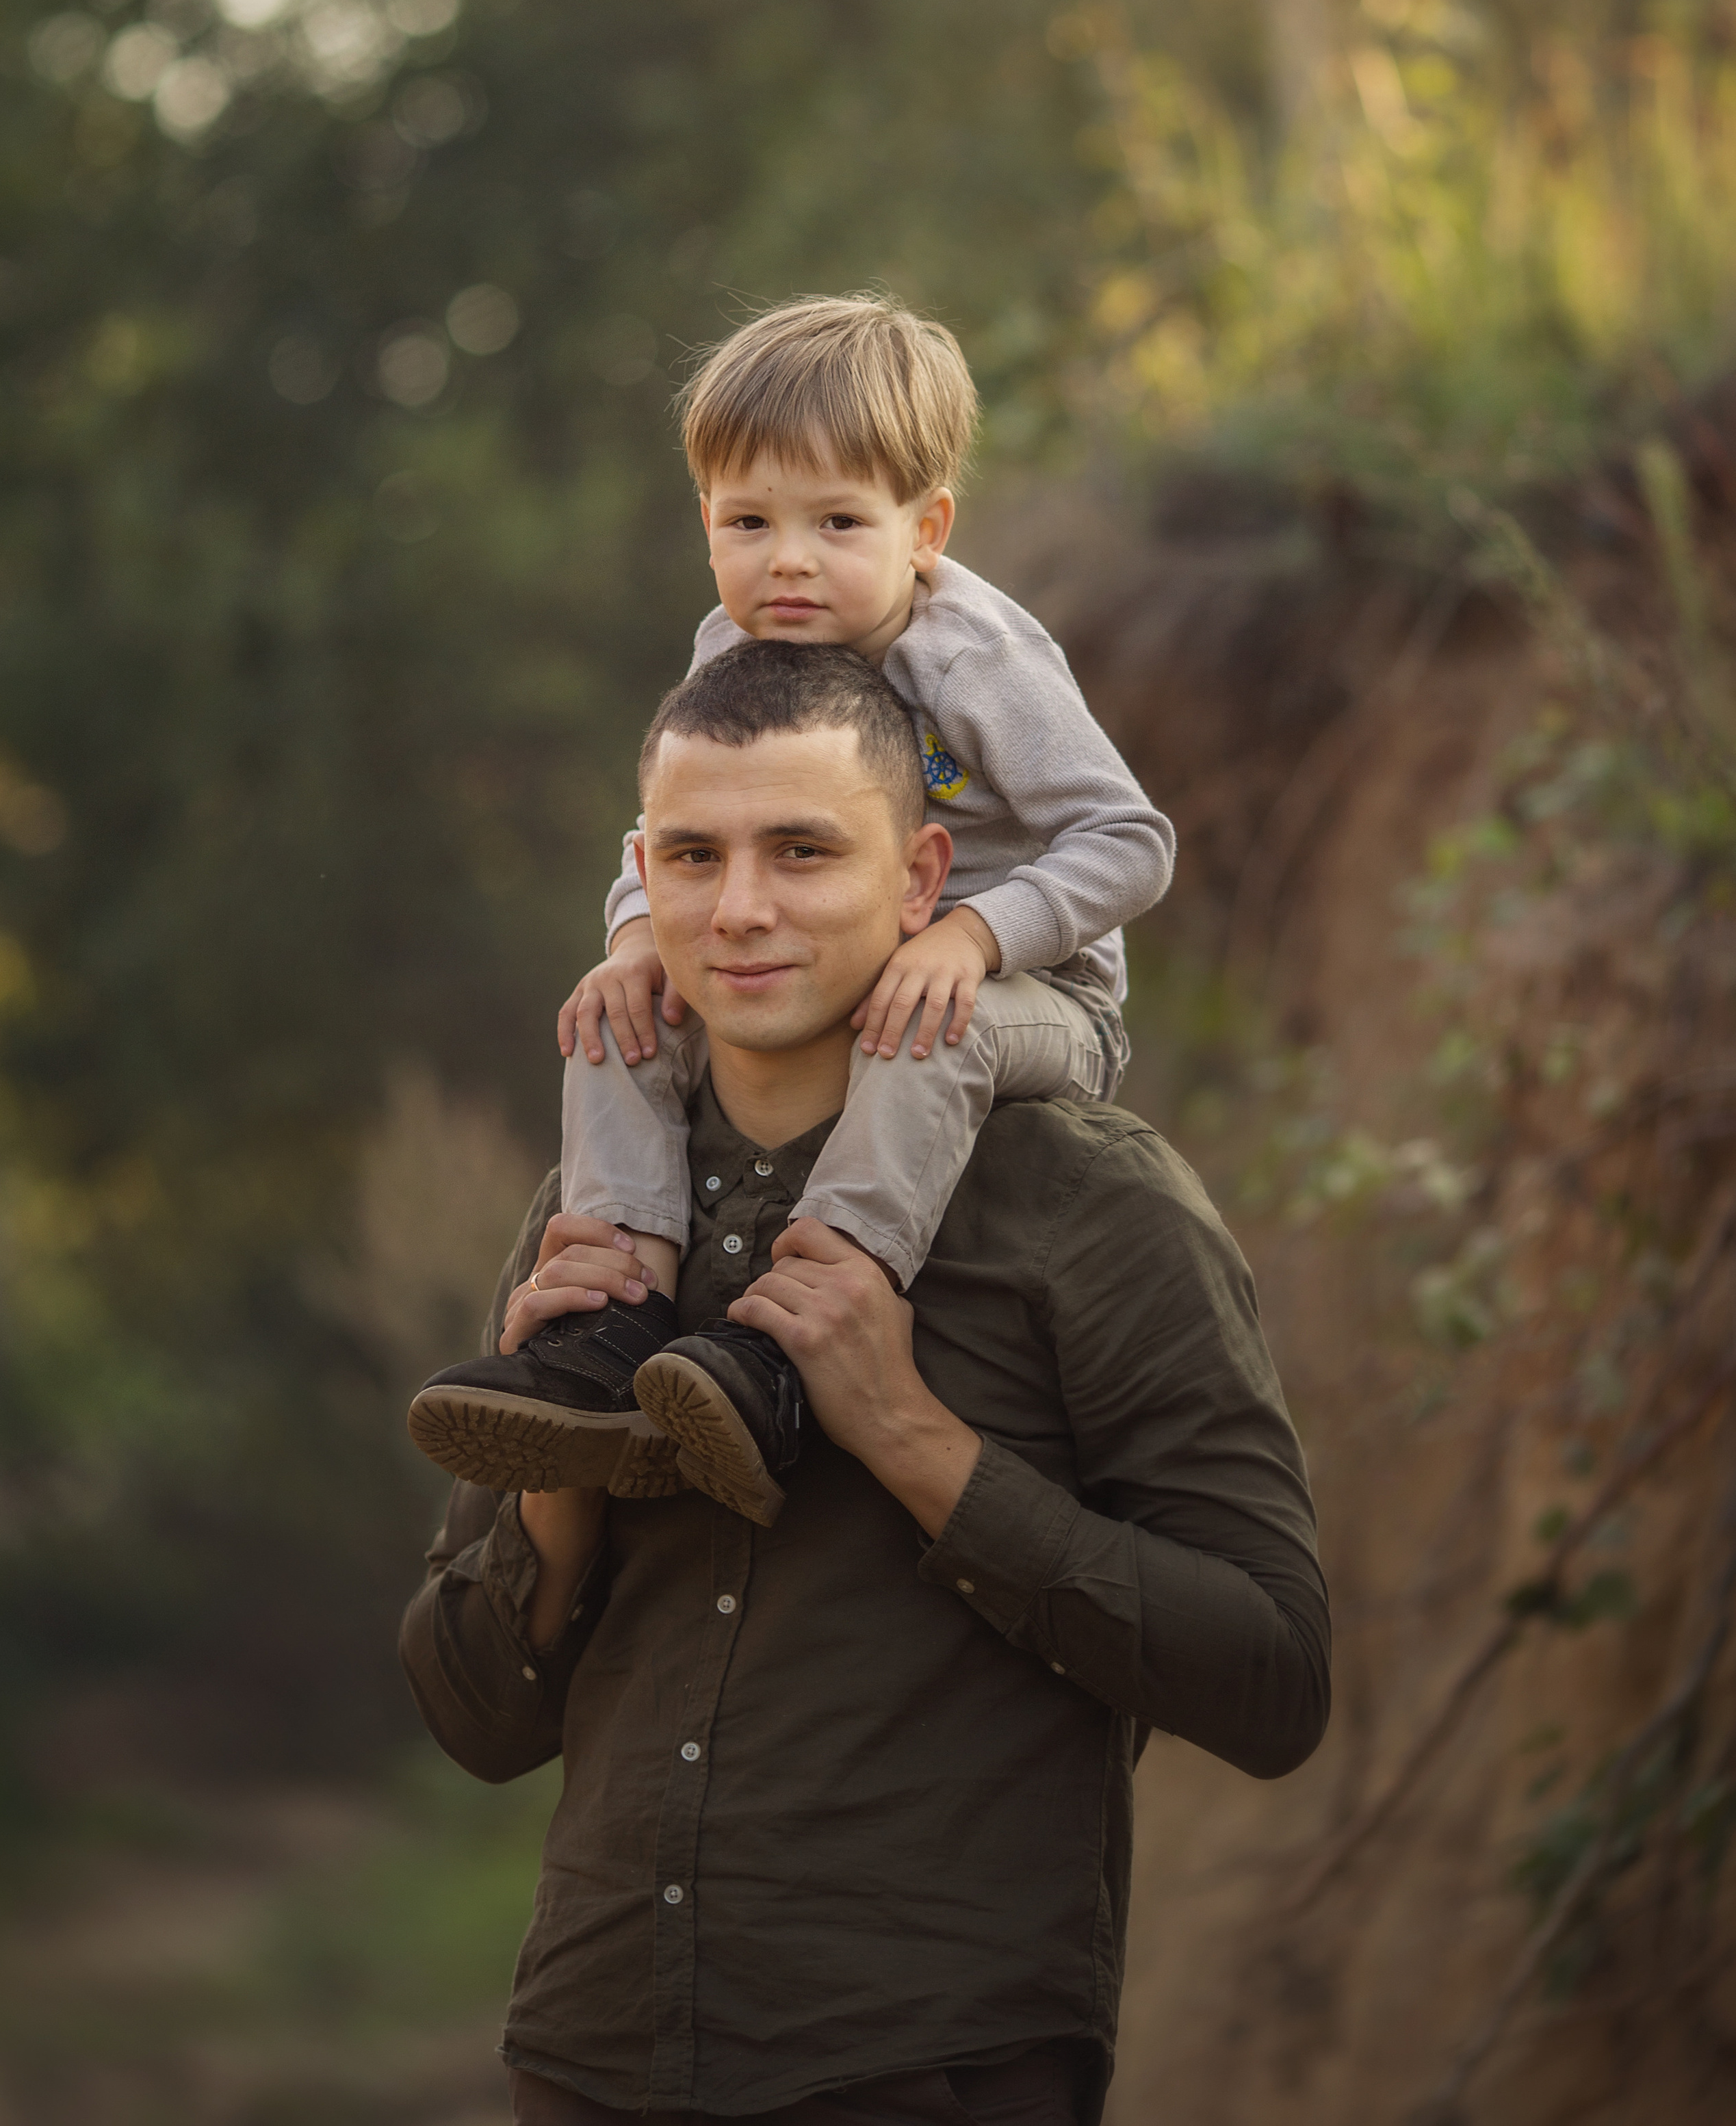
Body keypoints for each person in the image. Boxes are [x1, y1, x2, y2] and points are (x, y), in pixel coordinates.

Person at [399, 641, 1329, 2126]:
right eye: (694, 856)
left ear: (922, 880)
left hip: (927, 2058)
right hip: (586, 2053)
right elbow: (474, 1718)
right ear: (641, 877)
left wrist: (910, 1439)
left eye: (802, 851)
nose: (742, 907)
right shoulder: (595, 1211)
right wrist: (558, 1480)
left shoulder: (1091, 1202)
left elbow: (1273, 1675)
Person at [408, 295, 1176, 1525]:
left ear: (924, 530)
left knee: (936, 1032)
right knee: (617, 1014)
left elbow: (1130, 841)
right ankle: (615, 1314)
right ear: (703, 523)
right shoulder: (735, 649)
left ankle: (798, 1335)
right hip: (851, 960)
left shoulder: (973, 658)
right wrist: (629, 941)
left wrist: (976, 937)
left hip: (1034, 992)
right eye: (749, 522)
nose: (790, 561)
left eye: (837, 522)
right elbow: (663, 832)